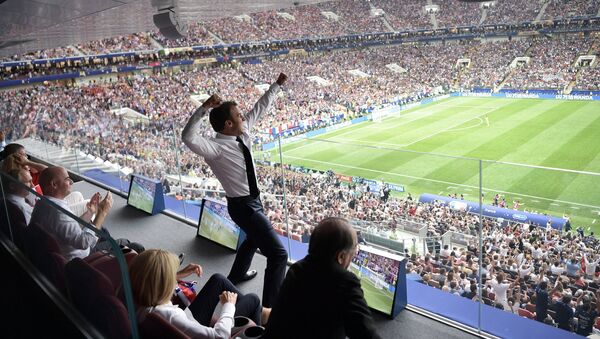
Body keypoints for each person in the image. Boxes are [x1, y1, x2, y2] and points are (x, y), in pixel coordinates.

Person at [182, 73, 289, 307]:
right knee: (279, 254)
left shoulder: (242, 133)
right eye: (240, 116)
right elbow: (188, 136)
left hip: (253, 202)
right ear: (228, 124)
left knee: (253, 239)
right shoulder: (215, 148)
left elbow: (260, 108)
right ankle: (271, 310)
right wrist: (203, 109)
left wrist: (276, 86)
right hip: (242, 207)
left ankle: (237, 275)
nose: (245, 117)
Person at [262, 217, 381, 339]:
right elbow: (366, 334)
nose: (354, 254)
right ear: (341, 256)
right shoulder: (346, 282)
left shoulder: (297, 269)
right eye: (354, 249)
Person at [130, 249, 268, 339]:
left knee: (218, 279)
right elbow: (219, 336)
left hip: (189, 320)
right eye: (171, 276)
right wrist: (229, 306)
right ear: (163, 284)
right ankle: (261, 326)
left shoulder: (137, 297)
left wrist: (179, 274)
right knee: (253, 300)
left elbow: (152, 280)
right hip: (202, 330)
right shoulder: (171, 316)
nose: (175, 279)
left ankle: (262, 314)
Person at [29, 166, 142, 260]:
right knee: (131, 244)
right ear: (54, 184)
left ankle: (108, 251)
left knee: (103, 231)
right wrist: (102, 212)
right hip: (80, 260)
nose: (71, 181)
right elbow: (84, 243)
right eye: (67, 179)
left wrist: (90, 212)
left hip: (62, 252)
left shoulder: (42, 204)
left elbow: (69, 227)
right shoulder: (58, 212)